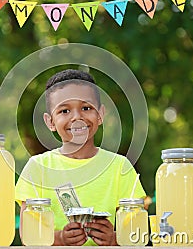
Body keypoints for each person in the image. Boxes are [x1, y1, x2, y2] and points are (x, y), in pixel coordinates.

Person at [15, 69, 146, 246]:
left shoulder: (119, 166)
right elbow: (28, 234)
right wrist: (60, 238)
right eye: (64, 111)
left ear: (100, 115)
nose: (77, 117)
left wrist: (114, 239)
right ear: (50, 122)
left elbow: (137, 234)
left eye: (86, 108)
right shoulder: (38, 167)